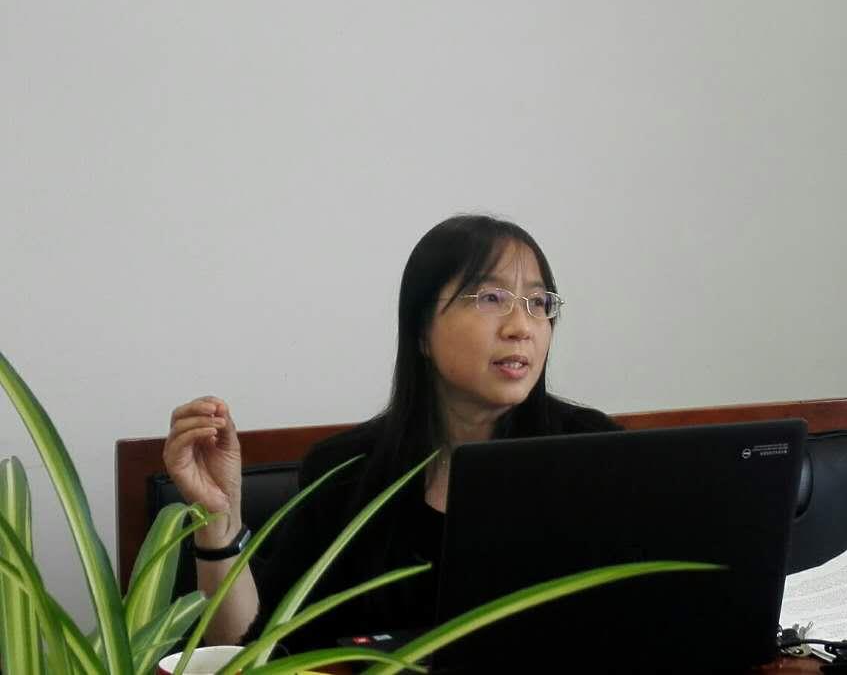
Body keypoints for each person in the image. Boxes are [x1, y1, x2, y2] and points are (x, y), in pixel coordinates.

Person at [162, 214, 619, 652]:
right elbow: (250, 649)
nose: (522, 328)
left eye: (538, 303)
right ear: (422, 329)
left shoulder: (594, 452)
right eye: (491, 298)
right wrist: (219, 520)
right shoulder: (345, 472)